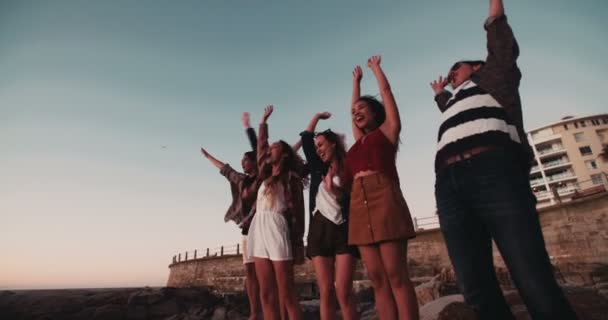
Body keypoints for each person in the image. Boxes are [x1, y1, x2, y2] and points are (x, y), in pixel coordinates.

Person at [429, 1, 577, 319]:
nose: (453, 73)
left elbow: (500, 43)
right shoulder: (456, 99)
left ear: (479, 67)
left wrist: (495, 11)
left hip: (493, 170)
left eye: (459, 68)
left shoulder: (495, 80)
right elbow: (448, 107)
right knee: (475, 288)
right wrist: (440, 93)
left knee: (533, 279)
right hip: (448, 185)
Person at [347, 56, 418, 320]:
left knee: (395, 274)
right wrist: (355, 83)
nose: (356, 112)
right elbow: (350, 111)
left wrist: (375, 69)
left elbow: (386, 93)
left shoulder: (388, 131)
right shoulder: (358, 142)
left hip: (384, 197)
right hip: (358, 202)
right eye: (355, 110)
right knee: (376, 278)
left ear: (376, 113)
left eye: (362, 108)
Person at [247, 105, 306, 320]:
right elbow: (261, 146)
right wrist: (263, 122)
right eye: (270, 147)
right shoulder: (264, 175)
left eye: (274, 147)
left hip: (277, 227)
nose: (269, 149)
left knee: (287, 293)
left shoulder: (291, 179)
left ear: (283, 154)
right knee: (266, 293)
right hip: (259, 228)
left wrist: (298, 241)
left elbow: (299, 213)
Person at [200, 112, 261, 320]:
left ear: (255, 161)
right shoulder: (241, 180)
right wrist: (208, 158)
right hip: (247, 231)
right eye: (242, 161)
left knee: (266, 273)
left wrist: (249, 128)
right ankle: (254, 312)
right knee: (250, 273)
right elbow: (226, 170)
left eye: (246, 160)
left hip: (264, 228)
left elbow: (261, 148)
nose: (243, 163)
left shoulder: (264, 177)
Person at [300, 112, 359, 320]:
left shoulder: (349, 165)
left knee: (343, 290)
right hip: (319, 229)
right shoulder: (318, 166)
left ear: (333, 144)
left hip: (344, 229)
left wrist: (335, 192)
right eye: (317, 148)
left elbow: (355, 199)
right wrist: (316, 116)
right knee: (326, 291)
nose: (318, 150)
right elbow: (306, 138)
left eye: (322, 145)